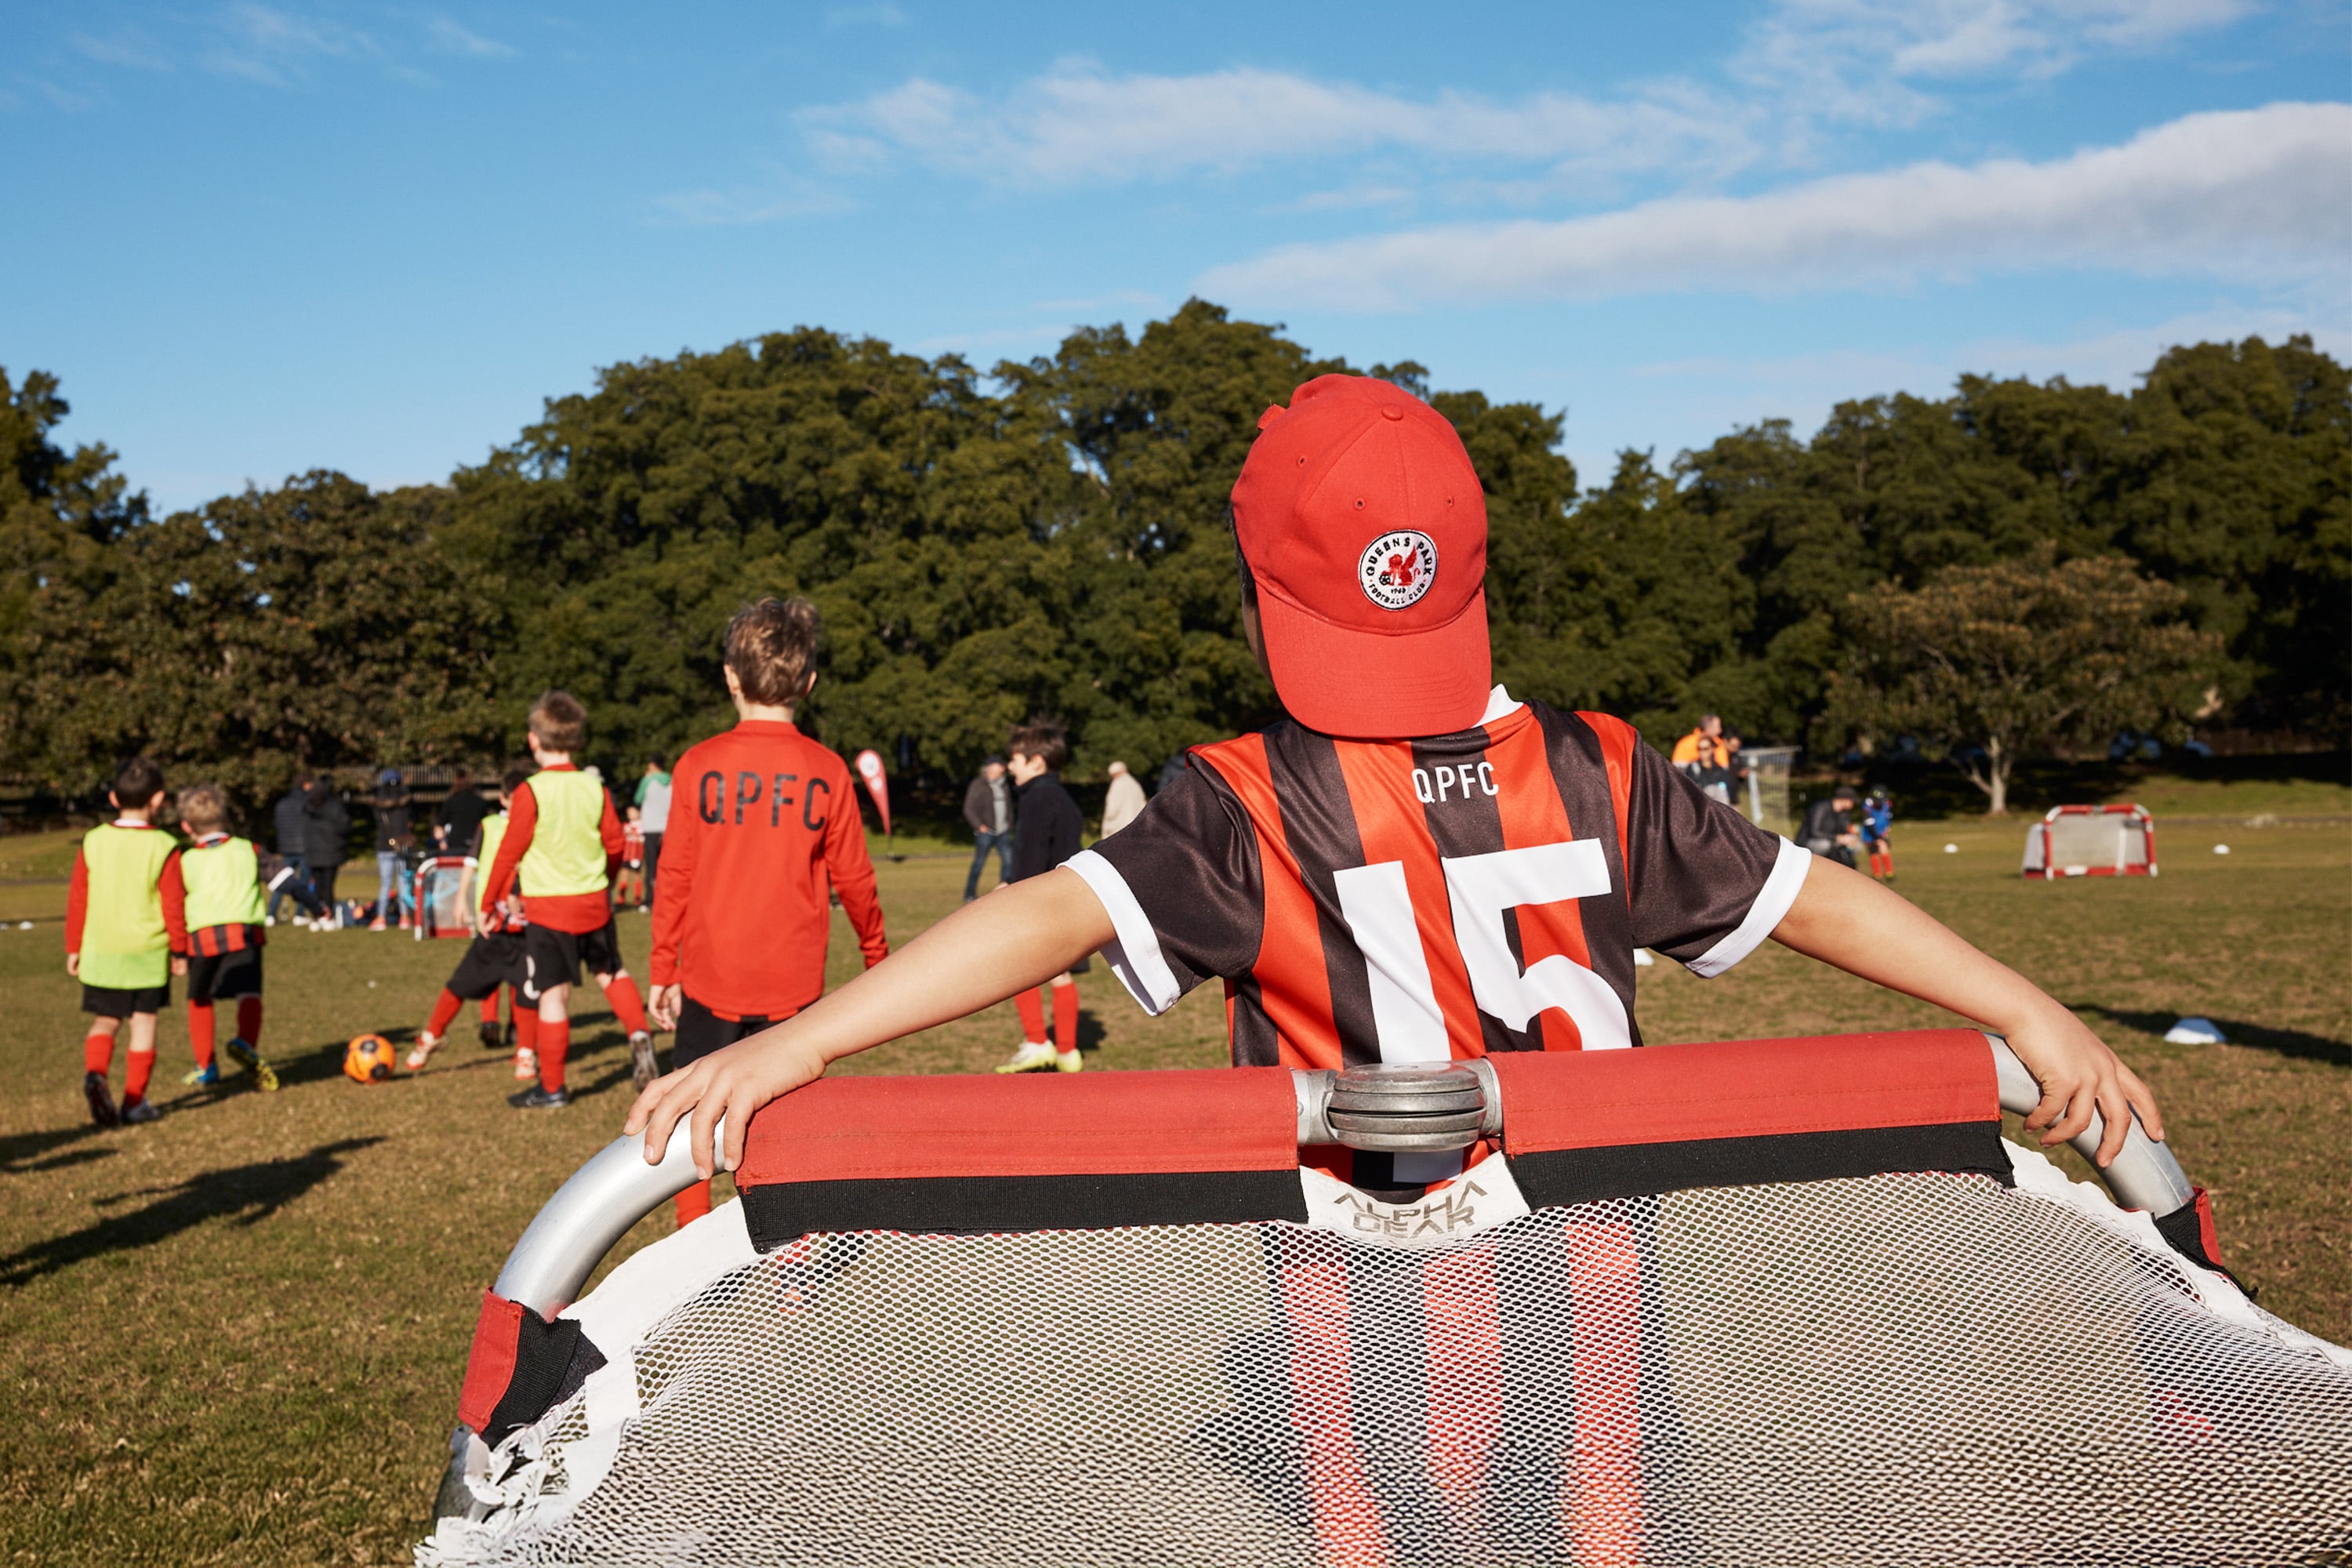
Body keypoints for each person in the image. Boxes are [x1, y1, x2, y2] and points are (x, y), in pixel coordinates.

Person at [629, 372, 2162, 1207]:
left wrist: (799, 1047)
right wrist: (2024, 1009)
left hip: (1358, 1311)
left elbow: (1038, 918)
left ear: (1257, 593)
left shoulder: (1245, 795)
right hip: (1607, 1296)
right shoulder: (1602, 764)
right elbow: (1813, 895)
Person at [645, 596, 888, 1223]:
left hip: (707, 976)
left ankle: (688, 1263)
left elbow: (672, 875)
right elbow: (856, 881)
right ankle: (794, 1268)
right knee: (789, 1129)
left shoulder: (697, 765)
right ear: (808, 682)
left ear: (730, 676)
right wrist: (877, 958)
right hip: (793, 985)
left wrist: (662, 968)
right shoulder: (828, 770)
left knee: (686, 1120)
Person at [478, 692, 653, 1109]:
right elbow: (614, 844)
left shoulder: (530, 791)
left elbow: (509, 852)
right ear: (577, 740)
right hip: (594, 901)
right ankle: (639, 1034)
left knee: (553, 994)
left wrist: (489, 903)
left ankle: (553, 1088)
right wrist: (605, 883)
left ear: (533, 740)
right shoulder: (595, 786)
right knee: (611, 971)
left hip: (549, 909)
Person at [173, 783, 322, 1091]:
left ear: (186, 826)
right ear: (226, 819)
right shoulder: (248, 850)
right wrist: (315, 905)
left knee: (199, 999)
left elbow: (172, 904)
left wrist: (174, 946)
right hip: (244, 932)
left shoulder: (184, 861)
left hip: (201, 936)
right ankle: (245, 1043)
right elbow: (285, 882)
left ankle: (206, 1067)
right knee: (249, 992)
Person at [66, 757, 187, 1127]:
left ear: (114, 799)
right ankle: (134, 1101)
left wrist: (74, 947)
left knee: (105, 1020)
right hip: (147, 952)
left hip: (101, 949)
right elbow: (173, 905)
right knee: (143, 1023)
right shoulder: (165, 846)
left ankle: (96, 1074)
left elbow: (78, 899)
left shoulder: (93, 841)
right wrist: (179, 950)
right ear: (159, 799)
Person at [406, 766, 539, 1075]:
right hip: (493, 921)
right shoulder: (491, 825)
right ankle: (432, 1035)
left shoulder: (540, 828)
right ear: (504, 800)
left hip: (528, 926)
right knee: (462, 983)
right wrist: (463, 897)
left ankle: (525, 1053)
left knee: (527, 991)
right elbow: (474, 862)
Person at [994, 721, 1086, 1075]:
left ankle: (1037, 1042)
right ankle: (1067, 1052)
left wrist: (1011, 889)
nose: (1010, 766)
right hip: (1065, 901)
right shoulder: (1065, 799)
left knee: (1020, 970)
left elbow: (1031, 859)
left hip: (1038, 903)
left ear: (1036, 762)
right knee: (1059, 975)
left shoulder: (1035, 799)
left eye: (1015, 759)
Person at [960, 757, 1012, 902]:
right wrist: (979, 826)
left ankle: (1006, 893)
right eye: (999, 766)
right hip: (986, 832)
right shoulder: (978, 785)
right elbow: (968, 808)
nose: (1003, 769)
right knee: (979, 863)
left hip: (1003, 831)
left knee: (1008, 863)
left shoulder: (1004, 785)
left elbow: (1008, 808)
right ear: (990, 767)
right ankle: (969, 894)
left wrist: (1010, 825)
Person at [368, 768, 415, 931]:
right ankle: (404, 918)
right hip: (402, 845)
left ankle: (381, 918)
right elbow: (411, 822)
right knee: (404, 882)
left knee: (385, 883)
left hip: (384, 844)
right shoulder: (406, 800)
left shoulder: (378, 803)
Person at [304, 778, 351, 927]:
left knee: (317, 886)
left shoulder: (309, 805)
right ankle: (327, 916)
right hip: (331, 851)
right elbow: (345, 826)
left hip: (314, 852)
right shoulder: (335, 806)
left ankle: (317, 916)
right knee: (327, 886)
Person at [269, 771, 312, 924]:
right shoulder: (308, 802)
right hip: (304, 847)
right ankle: (300, 914)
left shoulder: (282, 804)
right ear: (306, 784)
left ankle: (271, 914)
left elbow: (278, 825)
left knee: (280, 880)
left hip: (286, 847)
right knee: (303, 883)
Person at [1671, 715, 1740, 806]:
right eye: (1718, 727)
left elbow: (1725, 772)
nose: (1720, 730)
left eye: (1706, 749)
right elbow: (1678, 776)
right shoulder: (1686, 744)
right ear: (1708, 729)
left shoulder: (1719, 744)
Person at [636, 755, 672, 908]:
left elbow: (638, 799)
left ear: (653, 765)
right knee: (667, 865)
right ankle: (666, 898)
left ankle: (650, 899)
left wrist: (646, 779)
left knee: (651, 867)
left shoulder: (648, 780)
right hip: (667, 827)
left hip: (651, 827)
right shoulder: (672, 780)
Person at [1800, 785, 1864, 870]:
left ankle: (1844, 867)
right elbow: (1814, 832)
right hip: (1810, 842)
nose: (1853, 804)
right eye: (1852, 801)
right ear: (1844, 800)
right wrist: (1838, 838)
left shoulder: (1844, 813)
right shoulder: (1820, 808)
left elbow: (1846, 828)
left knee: (1858, 846)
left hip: (1833, 842)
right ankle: (1816, 867)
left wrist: (1850, 837)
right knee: (1824, 845)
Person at [435, 766, 492, 856]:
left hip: (455, 844)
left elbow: (439, 828)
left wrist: (442, 841)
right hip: (476, 844)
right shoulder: (479, 801)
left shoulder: (451, 801)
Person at [1100, 760, 1147, 839]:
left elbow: (1112, 809)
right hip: (1135, 827)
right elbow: (1143, 804)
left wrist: (1107, 824)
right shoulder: (1135, 784)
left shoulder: (1117, 784)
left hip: (1119, 828)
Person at [1863, 786, 1896, 881]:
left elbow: (1889, 816)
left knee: (1884, 850)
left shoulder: (1887, 804)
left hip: (1882, 832)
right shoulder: (1867, 807)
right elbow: (1869, 824)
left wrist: (1887, 828)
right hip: (1870, 834)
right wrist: (1876, 837)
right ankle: (1877, 875)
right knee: (1874, 853)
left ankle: (1889, 874)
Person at [617, 806, 648, 909]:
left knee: (637, 876)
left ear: (639, 813)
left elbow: (642, 841)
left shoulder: (643, 826)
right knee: (624, 875)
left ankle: (637, 898)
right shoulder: (626, 825)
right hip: (627, 855)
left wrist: (633, 833)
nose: (630, 815)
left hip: (636, 855)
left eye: (632, 812)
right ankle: (621, 897)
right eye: (628, 813)